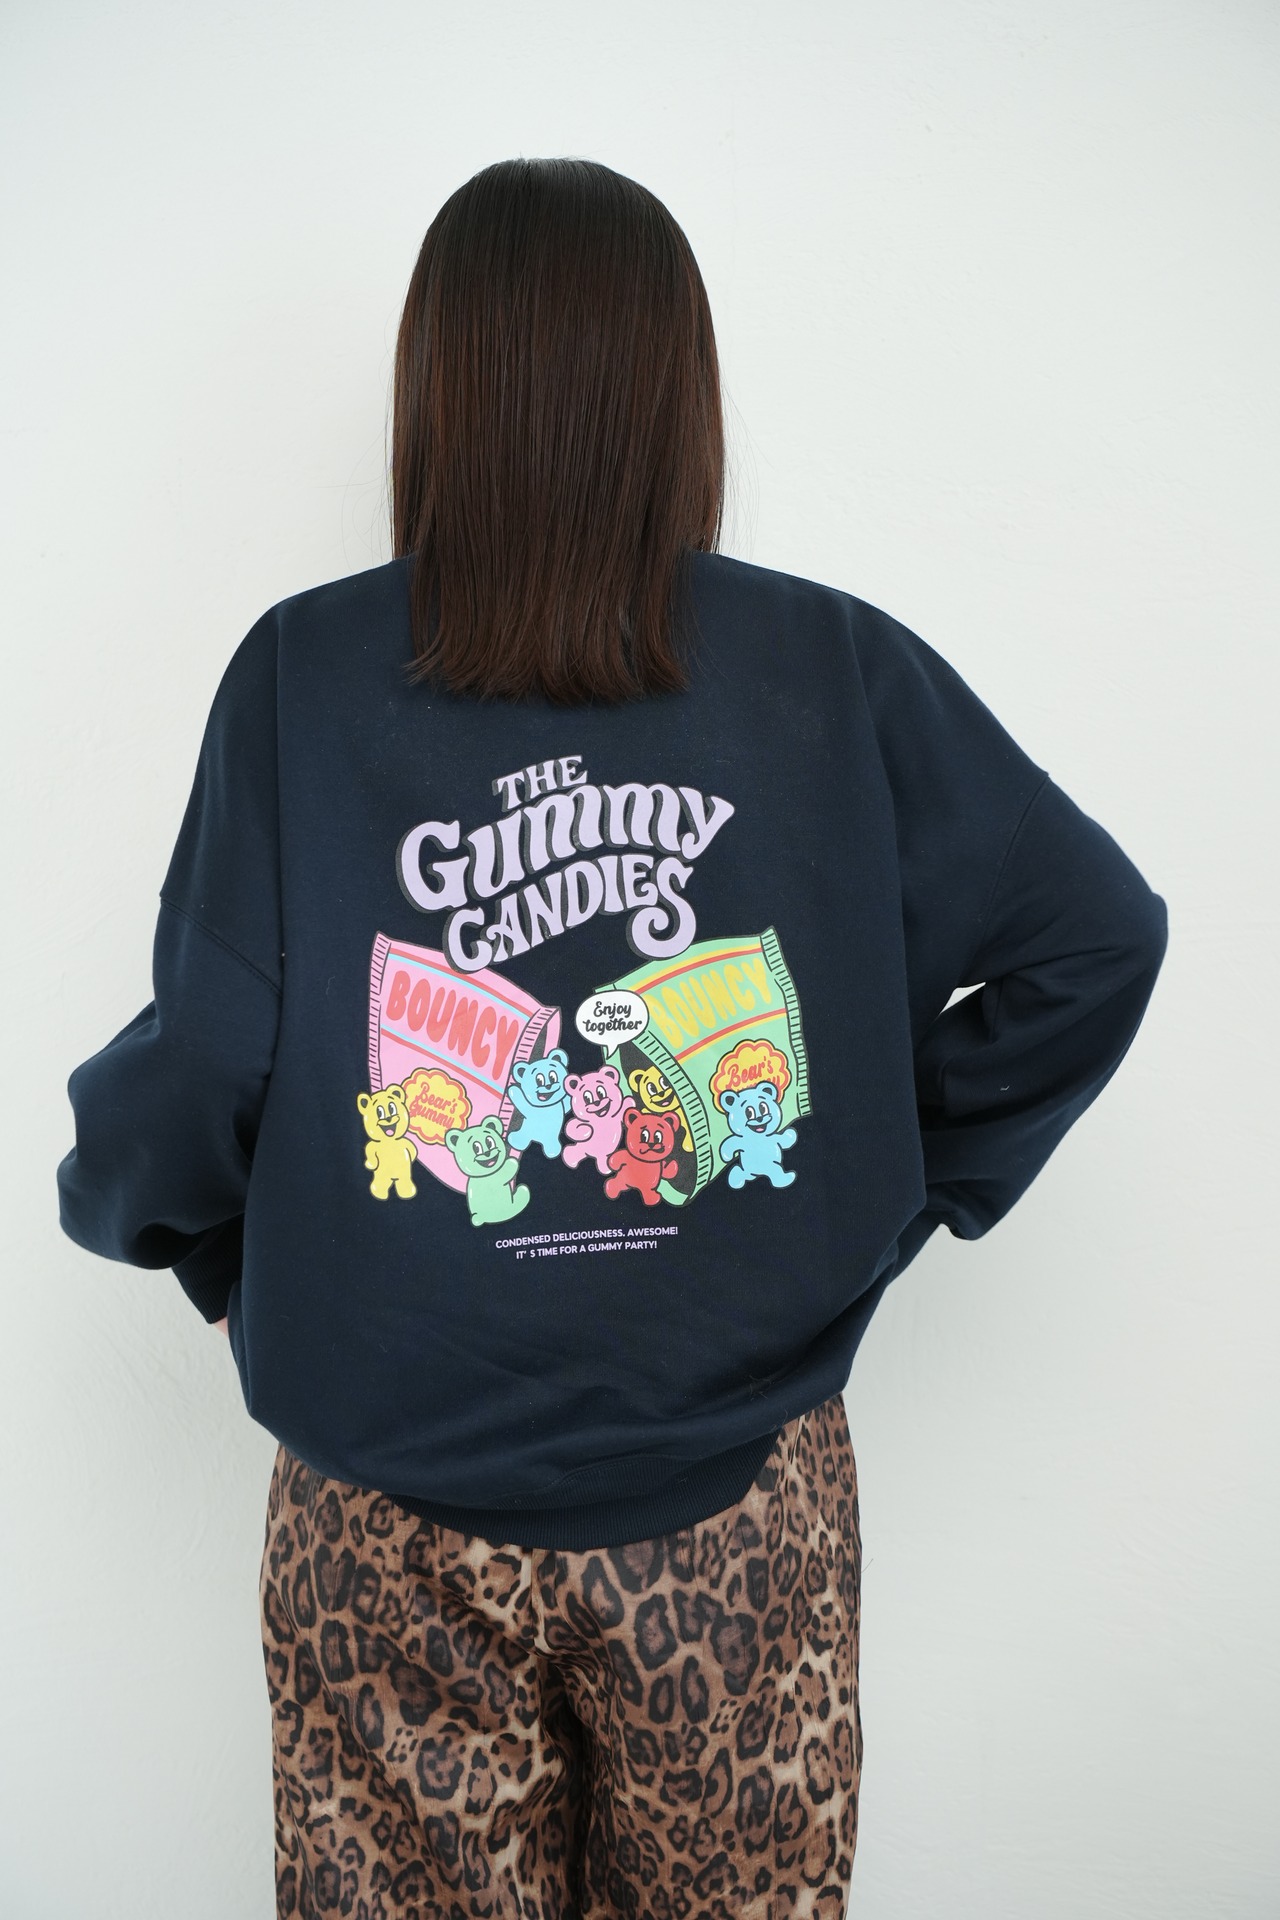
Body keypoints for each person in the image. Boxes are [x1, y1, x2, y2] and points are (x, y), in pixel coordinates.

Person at [56, 157, 1167, 1917]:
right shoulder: (831, 668)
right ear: (679, 396)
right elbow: (1096, 935)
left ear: (438, 396)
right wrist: (891, 1181)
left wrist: (174, 1232)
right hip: (745, 1510)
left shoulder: (300, 677)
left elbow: (201, 1064)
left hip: (383, 1523)